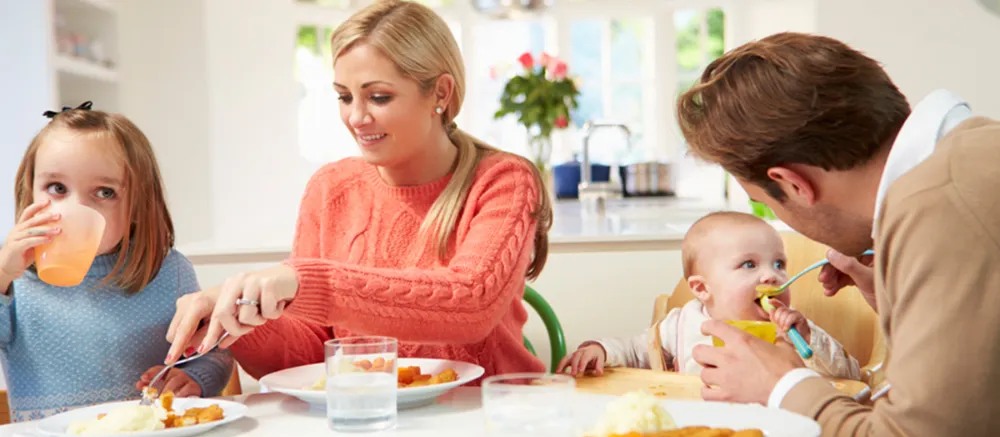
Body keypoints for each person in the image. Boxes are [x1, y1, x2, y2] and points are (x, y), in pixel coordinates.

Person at [163, 0, 553, 381]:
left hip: (493, 416)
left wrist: (303, 282)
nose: (356, 117)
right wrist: (243, 320)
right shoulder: (330, 188)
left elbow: (472, 305)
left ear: (441, 93)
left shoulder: (504, 179)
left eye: (379, 97)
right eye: (344, 96)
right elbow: (311, 358)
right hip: (373, 419)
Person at [675, 31, 1000, 436]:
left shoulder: (940, 207)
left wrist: (783, 386)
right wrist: (896, 300)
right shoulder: (971, 157)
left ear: (793, 184)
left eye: (764, 202)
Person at [0, 103, 232, 421]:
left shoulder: (168, 274)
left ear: (137, 206)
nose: (74, 207)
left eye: (105, 192)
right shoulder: (14, 280)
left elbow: (213, 355)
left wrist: (193, 379)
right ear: (30, 192)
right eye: (57, 188)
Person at [557, 212, 860, 382]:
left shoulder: (793, 332)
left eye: (779, 264)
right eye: (749, 264)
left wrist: (806, 339)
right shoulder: (680, 324)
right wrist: (601, 350)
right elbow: (637, 352)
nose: (772, 276)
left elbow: (849, 375)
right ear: (702, 289)